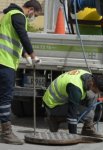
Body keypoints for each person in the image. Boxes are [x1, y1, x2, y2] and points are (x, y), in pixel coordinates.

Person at [0, 0, 42, 145]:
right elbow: (23, 36)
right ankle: (6, 133)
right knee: (5, 97)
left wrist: (24, 55)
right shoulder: (19, 16)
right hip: (5, 62)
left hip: (4, 61)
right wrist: (33, 54)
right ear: (30, 9)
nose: (33, 17)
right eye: (34, 15)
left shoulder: (9, 14)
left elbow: (14, 39)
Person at [43, 69, 103, 138]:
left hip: (62, 99)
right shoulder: (75, 88)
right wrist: (73, 136)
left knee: (92, 96)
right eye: (96, 91)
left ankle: (87, 129)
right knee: (89, 114)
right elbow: (72, 115)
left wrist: (101, 96)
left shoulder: (88, 76)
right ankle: (54, 119)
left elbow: (93, 94)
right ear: (93, 84)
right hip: (52, 105)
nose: (97, 93)